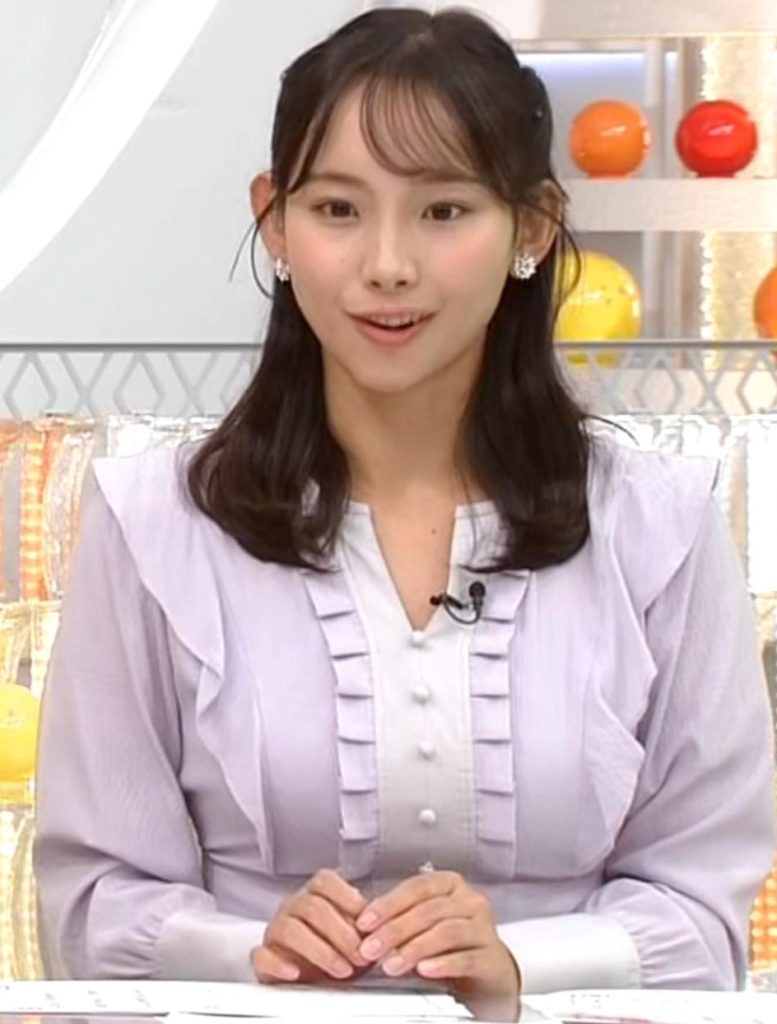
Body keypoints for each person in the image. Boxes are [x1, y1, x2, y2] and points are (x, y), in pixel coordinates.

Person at [33, 6, 775, 1021]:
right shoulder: (153, 523)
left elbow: (705, 917)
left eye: (443, 210)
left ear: (533, 226)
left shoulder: (662, 529)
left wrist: (518, 965)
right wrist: (252, 951)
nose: (386, 264)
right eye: (338, 209)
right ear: (273, 222)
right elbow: (90, 906)